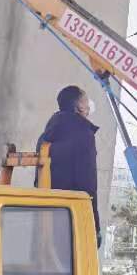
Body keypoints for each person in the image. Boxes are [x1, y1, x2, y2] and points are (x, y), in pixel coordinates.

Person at [39, 85, 101, 244]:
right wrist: (95, 226)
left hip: (44, 213)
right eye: (86, 101)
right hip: (72, 217)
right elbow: (88, 183)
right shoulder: (84, 135)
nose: (89, 105)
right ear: (79, 106)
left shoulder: (46, 136)